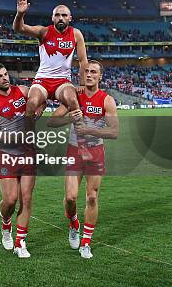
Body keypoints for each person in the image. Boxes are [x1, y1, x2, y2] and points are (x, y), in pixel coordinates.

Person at [48, 60, 118, 259]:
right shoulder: (74, 97)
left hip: (95, 152)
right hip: (74, 151)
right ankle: (73, 223)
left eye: (93, 72)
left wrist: (89, 129)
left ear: (100, 76)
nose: (89, 74)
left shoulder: (107, 100)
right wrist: (70, 117)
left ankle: (86, 242)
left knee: (92, 197)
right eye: (86, 71)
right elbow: (51, 121)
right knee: (70, 197)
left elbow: (114, 132)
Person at [12, 0, 88, 131]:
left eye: (64, 15)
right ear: (52, 17)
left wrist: (82, 83)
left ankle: (81, 139)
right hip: (43, 79)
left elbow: (83, 61)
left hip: (63, 81)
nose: (61, 18)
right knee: (32, 103)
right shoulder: (44, 31)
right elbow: (19, 28)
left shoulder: (76, 34)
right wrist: (20, 14)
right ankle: (28, 141)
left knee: (73, 101)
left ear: (70, 18)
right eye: (57, 15)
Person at [0, 63, 35, 259]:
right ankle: (6, 224)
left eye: (5, 74)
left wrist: (38, 111)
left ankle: (20, 243)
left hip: (28, 153)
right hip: (7, 155)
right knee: (10, 200)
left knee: (27, 199)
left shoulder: (23, 91)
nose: (5, 78)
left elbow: (43, 99)